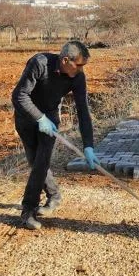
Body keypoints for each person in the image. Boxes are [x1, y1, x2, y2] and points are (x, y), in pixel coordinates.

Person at [11, 40, 99, 230]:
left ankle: (28, 210)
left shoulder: (77, 77)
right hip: (26, 117)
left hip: (50, 117)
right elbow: (19, 95)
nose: (82, 70)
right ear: (66, 60)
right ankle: (55, 195)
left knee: (41, 162)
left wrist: (88, 146)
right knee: (35, 162)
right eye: (79, 65)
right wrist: (38, 118)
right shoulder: (39, 63)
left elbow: (83, 111)